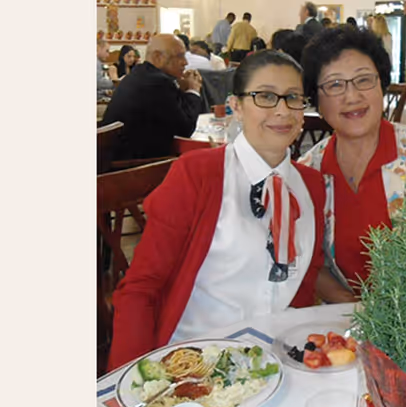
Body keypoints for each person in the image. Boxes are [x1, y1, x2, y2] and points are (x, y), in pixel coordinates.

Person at [108, 49, 326, 370]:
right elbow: (142, 287)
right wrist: (128, 385)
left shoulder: (311, 186)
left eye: (293, 97)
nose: (283, 110)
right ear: (236, 106)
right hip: (194, 365)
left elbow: (302, 290)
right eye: (265, 96)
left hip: (275, 366)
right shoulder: (197, 174)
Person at [298, 26, 406, 302]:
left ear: (382, 85)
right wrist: (356, 314)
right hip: (340, 324)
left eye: (364, 80)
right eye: (335, 84)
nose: (352, 96)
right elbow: (308, 260)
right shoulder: (309, 170)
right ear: (317, 102)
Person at [101, 34, 203, 160]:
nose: (185, 62)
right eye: (179, 56)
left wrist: (183, 90)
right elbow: (185, 129)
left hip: (115, 157)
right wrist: (193, 90)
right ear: (157, 57)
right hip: (131, 168)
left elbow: (175, 114)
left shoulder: (141, 74)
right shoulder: (157, 82)